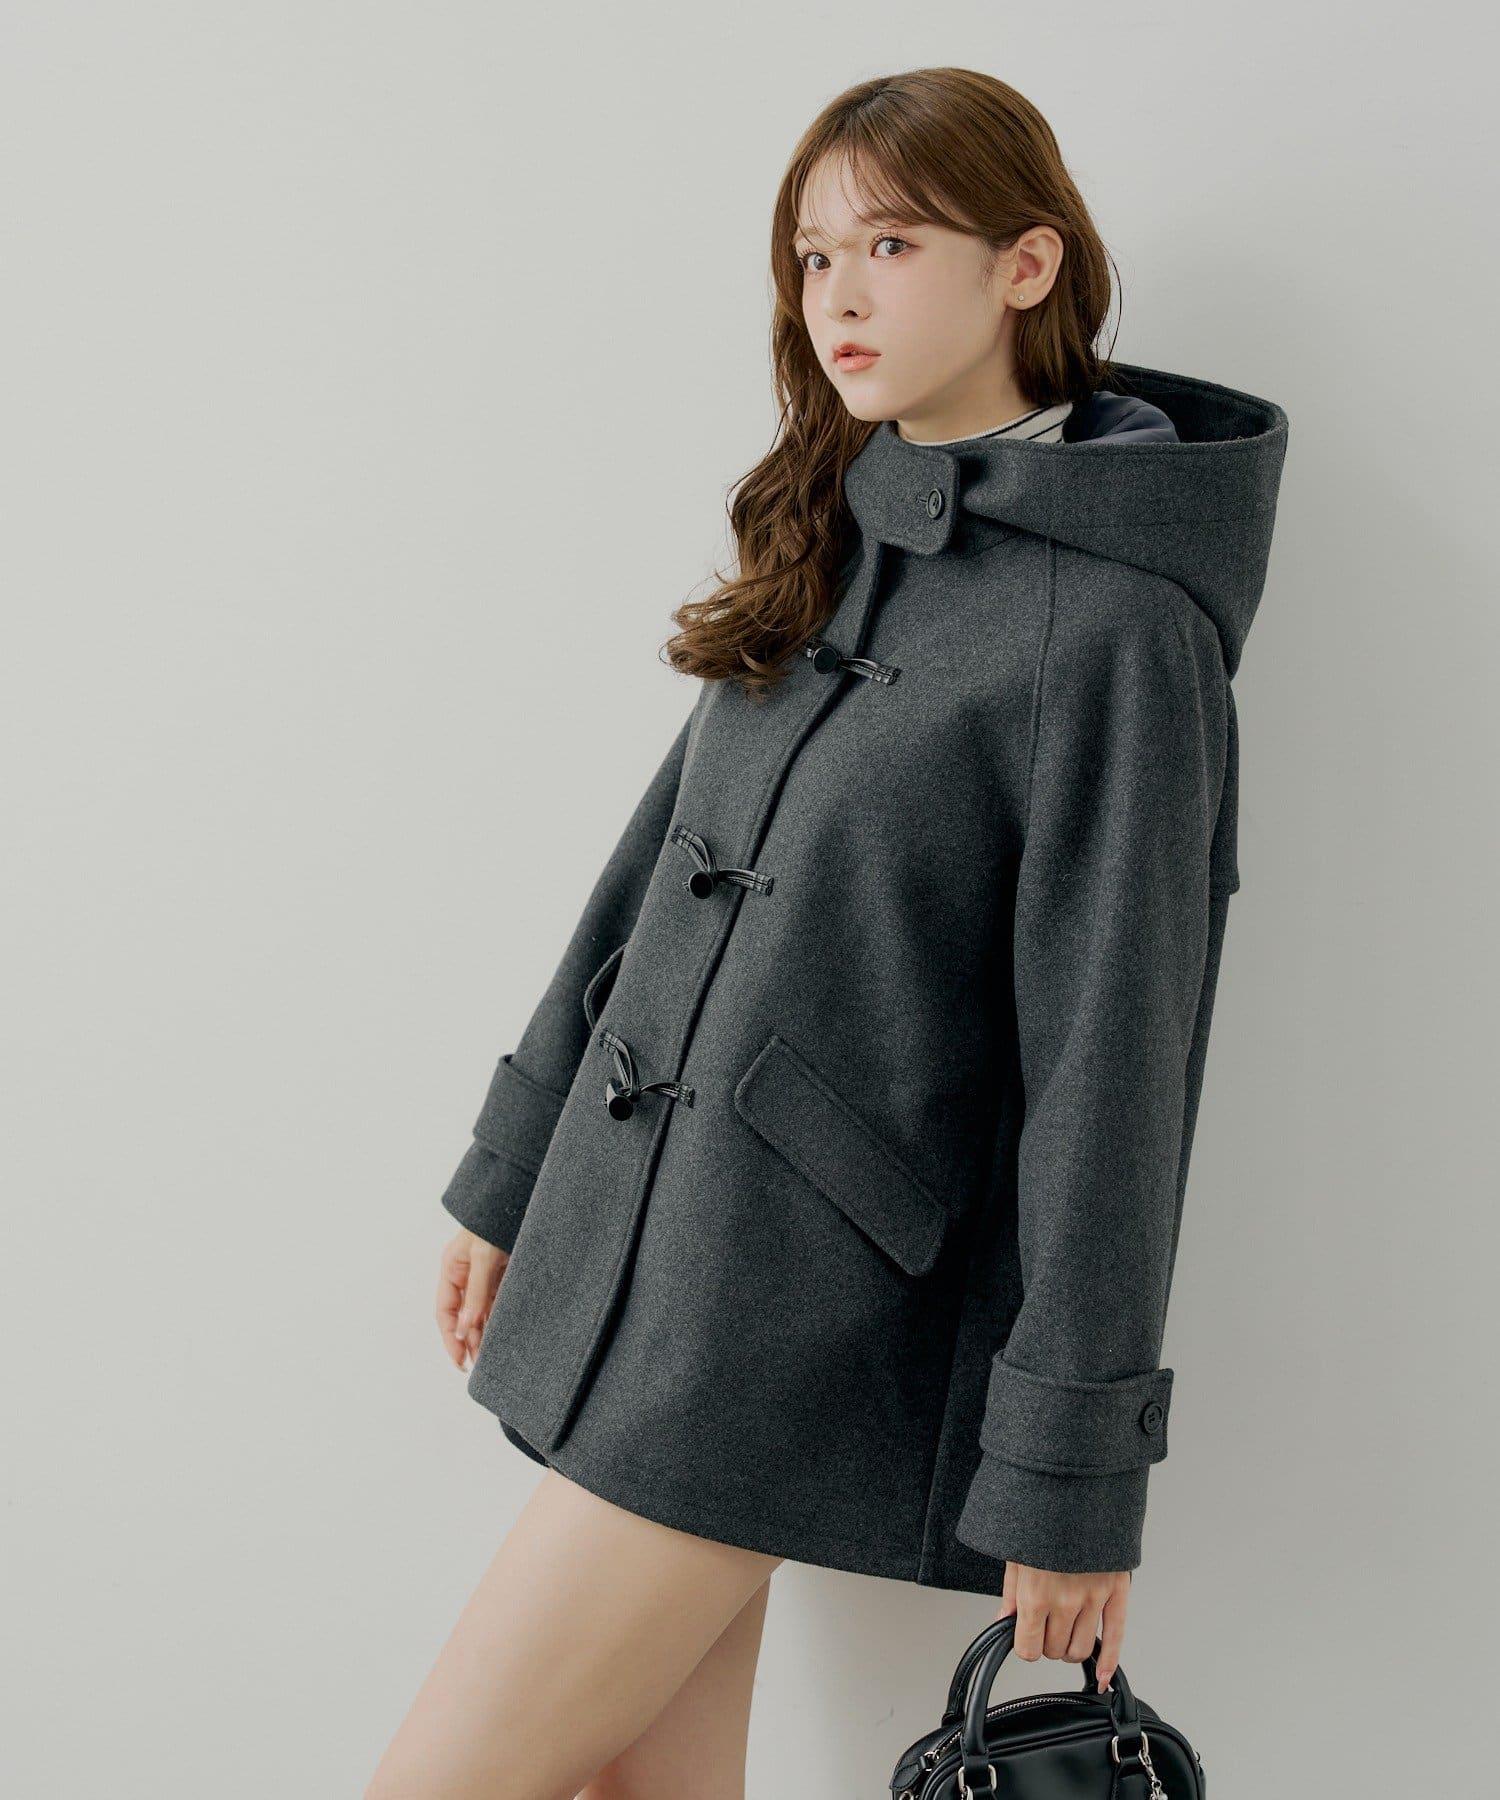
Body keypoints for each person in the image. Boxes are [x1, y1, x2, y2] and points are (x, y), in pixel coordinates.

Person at [368, 64, 1288, 1800]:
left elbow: (1116, 1066)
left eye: (893, 243)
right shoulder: (845, 518)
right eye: (812, 256)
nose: (839, 295)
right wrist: (513, 1170)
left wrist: (1073, 1472)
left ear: (1026, 265)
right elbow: (657, 872)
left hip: (786, 1321)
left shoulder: (1121, 634)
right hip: (643, 1247)